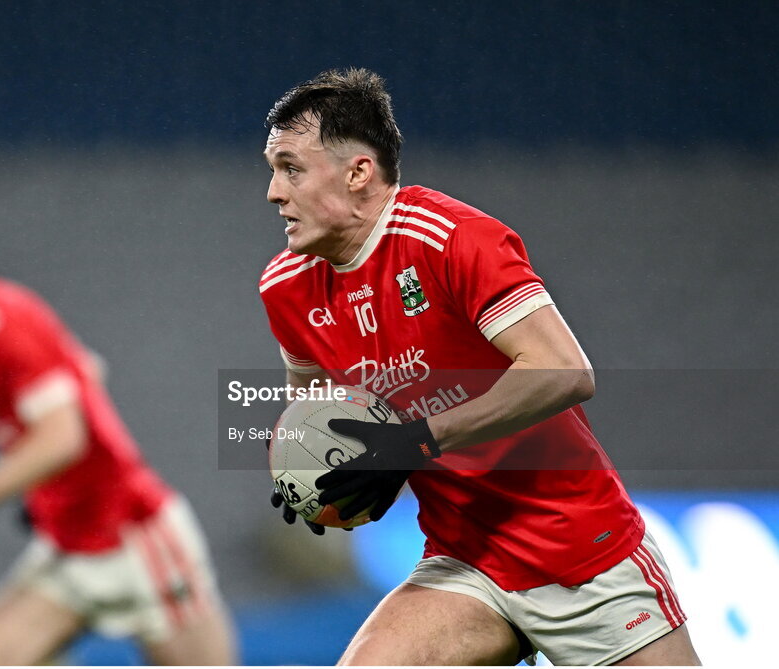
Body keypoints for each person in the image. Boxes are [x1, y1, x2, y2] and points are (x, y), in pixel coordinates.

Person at [259, 68, 700, 666]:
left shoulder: (451, 239)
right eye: (272, 171)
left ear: (358, 172)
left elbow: (565, 371)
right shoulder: (286, 286)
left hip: (580, 552)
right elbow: (313, 411)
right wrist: (309, 475)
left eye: (291, 168)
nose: (273, 193)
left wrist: (415, 441)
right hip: (464, 563)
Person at [0, 185, 236, 666]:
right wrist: (48, 491)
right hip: (69, 542)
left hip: (133, 537)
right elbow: (87, 373)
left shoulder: (4, 321)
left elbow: (63, 437)